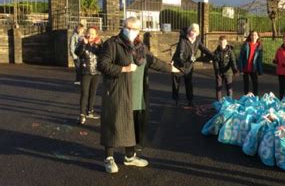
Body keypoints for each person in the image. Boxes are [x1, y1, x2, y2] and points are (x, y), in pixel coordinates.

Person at [98, 16, 175, 174]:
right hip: (118, 91)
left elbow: (152, 61)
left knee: (133, 125)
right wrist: (124, 69)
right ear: (123, 27)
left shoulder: (140, 47)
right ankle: (109, 158)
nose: (131, 31)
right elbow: (103, 65)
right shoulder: (112, 44)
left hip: (137, 92)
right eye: (128, 27)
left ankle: (130, 156)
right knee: (113, 123)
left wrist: (172, 69)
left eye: (135, 28)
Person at [171, 23, 214, 107]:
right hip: (178, 64)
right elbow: (181, 52)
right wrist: (184, 61)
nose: (192, 33)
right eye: (191, 31)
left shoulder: (197, 39)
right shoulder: (183, 39)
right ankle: (175, 99)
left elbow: (203, 48)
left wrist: (213, 55)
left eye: (195, 31)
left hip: (189, 65)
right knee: (176, 83)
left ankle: (190, 100)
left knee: (189, 83)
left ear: (197, 32)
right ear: (188, 30)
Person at [75, 26, 102, 124]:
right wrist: (83, 44)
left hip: (96, 71)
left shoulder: (98, 44)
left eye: (93, 34)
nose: (90, 35)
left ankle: (90, 111)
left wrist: (101, 44)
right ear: (86, 33)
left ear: (96, 35)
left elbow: (104, 54)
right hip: (85, 71)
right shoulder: (82, 42)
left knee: (93, 92)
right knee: (84, 93)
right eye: (89, 33)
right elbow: (77, 53)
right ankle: (82, 114)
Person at [213, 35, 238, 100]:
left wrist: (235, 70)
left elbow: (233, 61)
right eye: (221, 42)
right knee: (218, 87)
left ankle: (229, 100)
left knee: (229, 87)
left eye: (224, 42)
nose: (222, 44)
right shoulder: (216, 52)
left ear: (226, 43)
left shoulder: (230, 51)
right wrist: (217, 72)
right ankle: (218, 101)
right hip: (219, 73)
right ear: (219, 42)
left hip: (228, 72)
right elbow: (215, 62)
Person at [238, 30, 263, 95]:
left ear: (258, 37)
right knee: (246, 84)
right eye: (252, 35)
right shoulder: (246, 44)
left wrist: (260, 71)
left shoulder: (259, 47)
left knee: (255, 84)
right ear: (250, 36)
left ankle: (255, 98)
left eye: (255, 35)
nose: (253, 36)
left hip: (253, 69)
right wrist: (240, 69)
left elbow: (259, 60)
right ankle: (246, 98)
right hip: (245, 68)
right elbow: (240, 57)